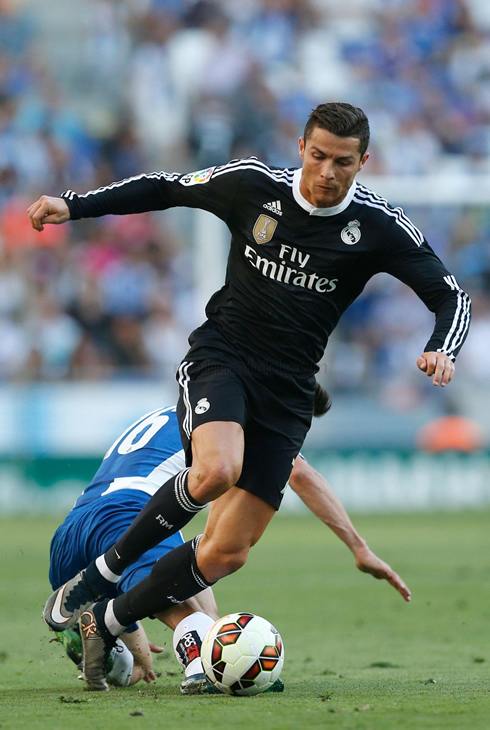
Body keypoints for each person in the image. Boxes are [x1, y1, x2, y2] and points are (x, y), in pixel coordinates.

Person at [29, 102, 468, 690]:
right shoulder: (252, 186)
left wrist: (444, 346)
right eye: (318, 155)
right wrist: (76, 205)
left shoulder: (380, 228)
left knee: (225, 554)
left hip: (288, 393)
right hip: (224, 359)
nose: (328, 171)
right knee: (216, 470)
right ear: (300, 147)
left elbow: (449, 294)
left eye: (343, 162)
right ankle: (96, 580)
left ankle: (105, 619)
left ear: (364, 162)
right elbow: (165, 188)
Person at [47, 393, 409, 692]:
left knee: (132, 665)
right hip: (132, 514)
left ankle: (89, 634)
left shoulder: (188, 406)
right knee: (191, 608)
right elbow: (301, 475)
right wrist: (359, 547)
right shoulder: (241, 419)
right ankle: (203, 669)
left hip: (72, 534)